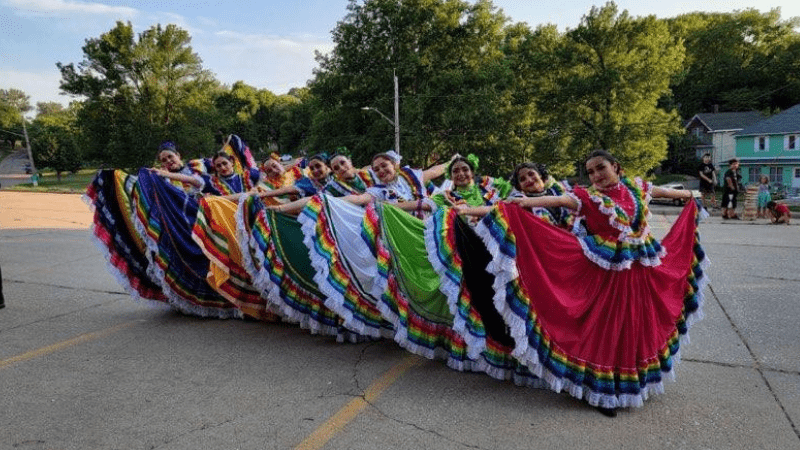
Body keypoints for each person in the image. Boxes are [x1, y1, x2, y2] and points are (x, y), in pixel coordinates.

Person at [476, 150, 706, 416]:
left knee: (635, 327)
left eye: (601, 168)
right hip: (606, 277)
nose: (596, 175)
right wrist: (520, 205)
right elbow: (559, 199)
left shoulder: (636, 187)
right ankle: (600, 391)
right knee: (606, 330)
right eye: (592, 171)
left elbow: (664, 193)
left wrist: (690, 196)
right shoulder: (588, 197)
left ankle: (630, 383)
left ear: (616, 166)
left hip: (640, 273)